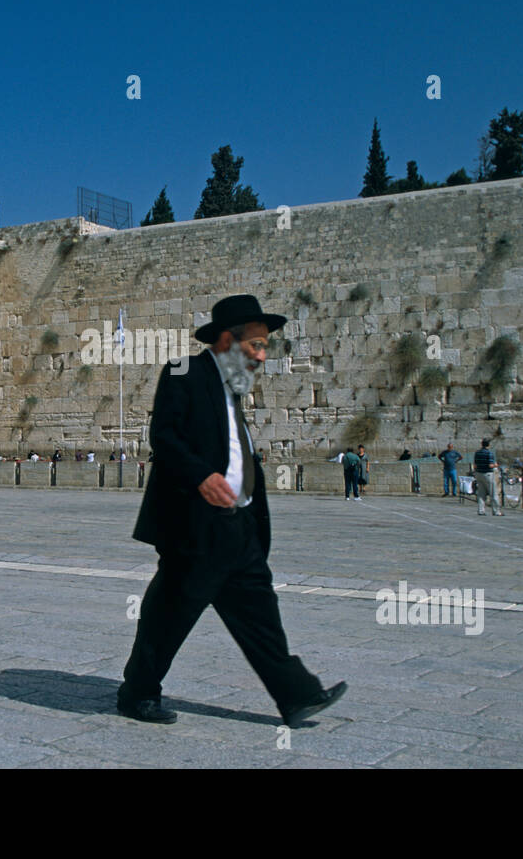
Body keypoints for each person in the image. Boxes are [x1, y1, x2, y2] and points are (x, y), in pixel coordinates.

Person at [119, 294, 345, 726]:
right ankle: (138, 693)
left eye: (265, 347)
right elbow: (164, 437)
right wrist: (201, 475)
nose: (262, 356)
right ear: (227, 339)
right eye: (255, 346)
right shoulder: (185, 371)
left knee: (260, 616)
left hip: (239, 527)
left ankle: (297, 695)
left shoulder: (233, 387)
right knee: (169, 617)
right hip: (195, 527)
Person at [473, 438, 502, 516]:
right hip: (488, 474)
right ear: (488, 445)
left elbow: (475, 465)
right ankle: (496, 511)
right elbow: (490, 465)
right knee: (493, 493)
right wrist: (496, 465)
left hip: (479, 473)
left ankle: (481, 510)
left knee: (481, 494)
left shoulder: (477, 453)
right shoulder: (489, 453)